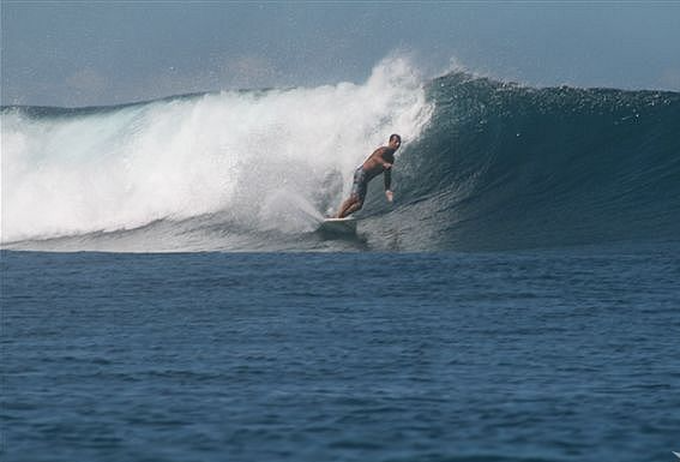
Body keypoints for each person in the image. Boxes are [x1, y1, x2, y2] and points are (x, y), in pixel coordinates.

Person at [335, 134, 401, 218]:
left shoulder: (391, 159)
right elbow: (375, 158)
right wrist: (384, 163)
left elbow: (387, 174)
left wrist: (387, 189)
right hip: (362, 173)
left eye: (399, 142)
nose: (398, 144)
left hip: (365, 179)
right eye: (395, 142)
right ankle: (338, 216)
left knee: (359, 205)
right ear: (390, 142)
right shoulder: (383, 150)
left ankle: (339, 217)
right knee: (354, 198)